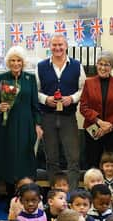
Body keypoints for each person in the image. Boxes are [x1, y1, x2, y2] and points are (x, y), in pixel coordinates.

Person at [36, 33, 86, 190]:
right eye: (54, 45)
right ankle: (55, 193)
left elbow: (83, 89)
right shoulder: (41, 66)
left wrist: (71, 98)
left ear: (66, 46)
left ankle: (72, 194)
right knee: (51, 158)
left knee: (73, 158)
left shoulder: (77, 65)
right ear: (50, 47)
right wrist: (45, 99)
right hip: (47, 117)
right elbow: (35, 91)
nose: (57, 48)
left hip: (68, 117)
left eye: (60, 45)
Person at [0, 46, 43, 187]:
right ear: (8, 62)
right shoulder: (1, 78)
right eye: (12, 60)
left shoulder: (30, 78)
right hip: (7, 125)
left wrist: (38, 125)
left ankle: (24, 190)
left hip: (26, 124)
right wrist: (0, 107)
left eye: (19, 60)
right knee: (9, 156)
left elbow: (35, 105)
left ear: (23, 62)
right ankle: (8, 193)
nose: (15, 63)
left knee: (24, 157)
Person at [80, 50, 113, 167]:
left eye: (107, 64)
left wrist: (109, 125)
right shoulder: (88, 83)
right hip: (93, 129)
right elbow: (83, 107)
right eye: (100, 64)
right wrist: (99, 122)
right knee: (93, 162)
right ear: (96, 65)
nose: (103, 67)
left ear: (112, 67)